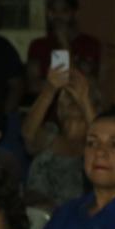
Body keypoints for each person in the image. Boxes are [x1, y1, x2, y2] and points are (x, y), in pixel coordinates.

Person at [22, 65, 97, 211]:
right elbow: (28, 134)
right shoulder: (50, 135)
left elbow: (104, 140)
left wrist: (84, 100)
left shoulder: (96, 146)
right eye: (67, 97)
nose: (72, 103)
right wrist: (49, 90)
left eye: (76, 99)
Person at [25, 0, 102, 96]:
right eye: (53, 10)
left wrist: (64, 43)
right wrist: (65, 84)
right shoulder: (38, 45)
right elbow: (33, 86)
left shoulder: (89, 44)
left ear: (75, 13)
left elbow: (88, 84)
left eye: (64, 11)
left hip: (77, 105)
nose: (58, 16)